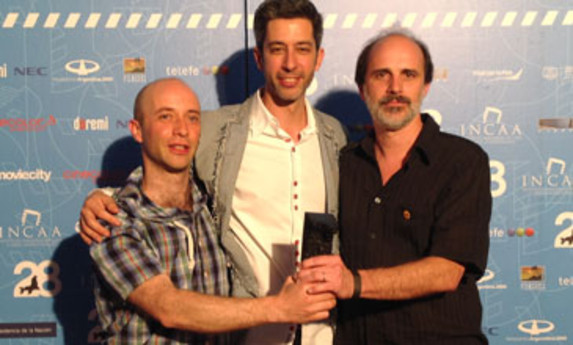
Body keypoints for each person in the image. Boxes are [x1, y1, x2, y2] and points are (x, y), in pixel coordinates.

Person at [80, 1, 347, 344]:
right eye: (278, 49)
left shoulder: (335, 136)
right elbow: (162, 168)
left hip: (319, 332)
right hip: (248, 333)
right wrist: (103, 198)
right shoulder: (215, 130)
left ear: (319, 58)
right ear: (260, 58)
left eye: (302, 49)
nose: (291, 63)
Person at [298, 29, 492, 344]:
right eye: (381, 75)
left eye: (409, 75)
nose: (395, 88)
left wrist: (354, 283)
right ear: (363, 88)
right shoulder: (342, 165)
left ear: (426, 86)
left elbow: (447, 271)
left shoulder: (462, 162)